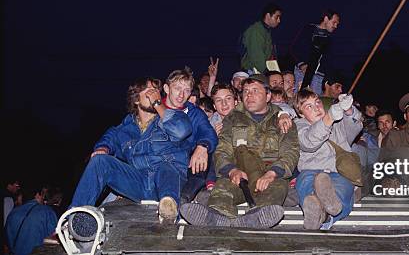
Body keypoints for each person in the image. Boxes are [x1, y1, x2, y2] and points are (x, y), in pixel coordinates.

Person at [181, 74, 299, 228]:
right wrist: (232, 171)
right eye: (246, 91)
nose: (249, 95)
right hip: (239, 176)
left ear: (268, 95)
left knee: (278, 188)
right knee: (222, 189)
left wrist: (272, 174)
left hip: (269, 176)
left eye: (255, 91)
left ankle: (256, 217)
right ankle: (216, 216)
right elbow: (222, 149)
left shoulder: (282, 120)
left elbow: (290, 152)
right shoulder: (232, 119)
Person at [69, 77, 193, 224]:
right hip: (139, 182)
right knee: (100, 161)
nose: (155, 95)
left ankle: (169, 211)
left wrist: (158, 104)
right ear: (136, 99)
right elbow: (109, 137)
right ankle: (73, 221)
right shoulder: (125, 128)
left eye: (157, 92)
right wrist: (103, 148)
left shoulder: (173, 117)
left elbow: (181, 131)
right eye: (150, 91)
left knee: (166, 167)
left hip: (169, 181)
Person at [294, 89, 362, 230]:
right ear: (301, 114)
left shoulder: (338, 123)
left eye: (317, 102)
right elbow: (309, 142)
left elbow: (355, 128)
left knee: (344, 189)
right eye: (309, 106)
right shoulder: (298, 126)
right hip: (310, 171)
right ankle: (320, 210)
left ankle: (322, 214)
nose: (317, 108)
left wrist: (348, 110)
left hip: (338, 172)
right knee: (305, 184)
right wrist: (328, 118)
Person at [161, 67, 218, 205]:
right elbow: (123, 132)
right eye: (177, 88)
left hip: (184, 165)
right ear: (167, 89)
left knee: (204, 154)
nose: (181, 94)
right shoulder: (154, 110)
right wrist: (103, 147)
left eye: (186, 90)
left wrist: (203, 145)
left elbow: (208, 131)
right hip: (158, 165)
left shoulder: (194, 113)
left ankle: (185, 199)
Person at [5, 185, 59, 255]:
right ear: (37, 195)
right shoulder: (46, 211)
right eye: (42, 194)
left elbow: (8, 241)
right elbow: (54, 241)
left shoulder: (13, 213)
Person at [299, 10, 341, 91]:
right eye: (334, 22)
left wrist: (332, 82)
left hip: (317, 77)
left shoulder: (329, 40)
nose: (336, 26)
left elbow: (328, 62)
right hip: (301, 72)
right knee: (299, 98)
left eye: (337, 24)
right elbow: (295, 48)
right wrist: (301, 64)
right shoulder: (308, 30)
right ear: (326, 19)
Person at [240, 3, 282, 74]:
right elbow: (257, 56)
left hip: (260, 70)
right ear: (268, 15)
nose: (279, 21)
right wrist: (267, 73)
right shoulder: (256, 30)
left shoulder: (266, 31)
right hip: (253, 71)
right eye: (277, 17)